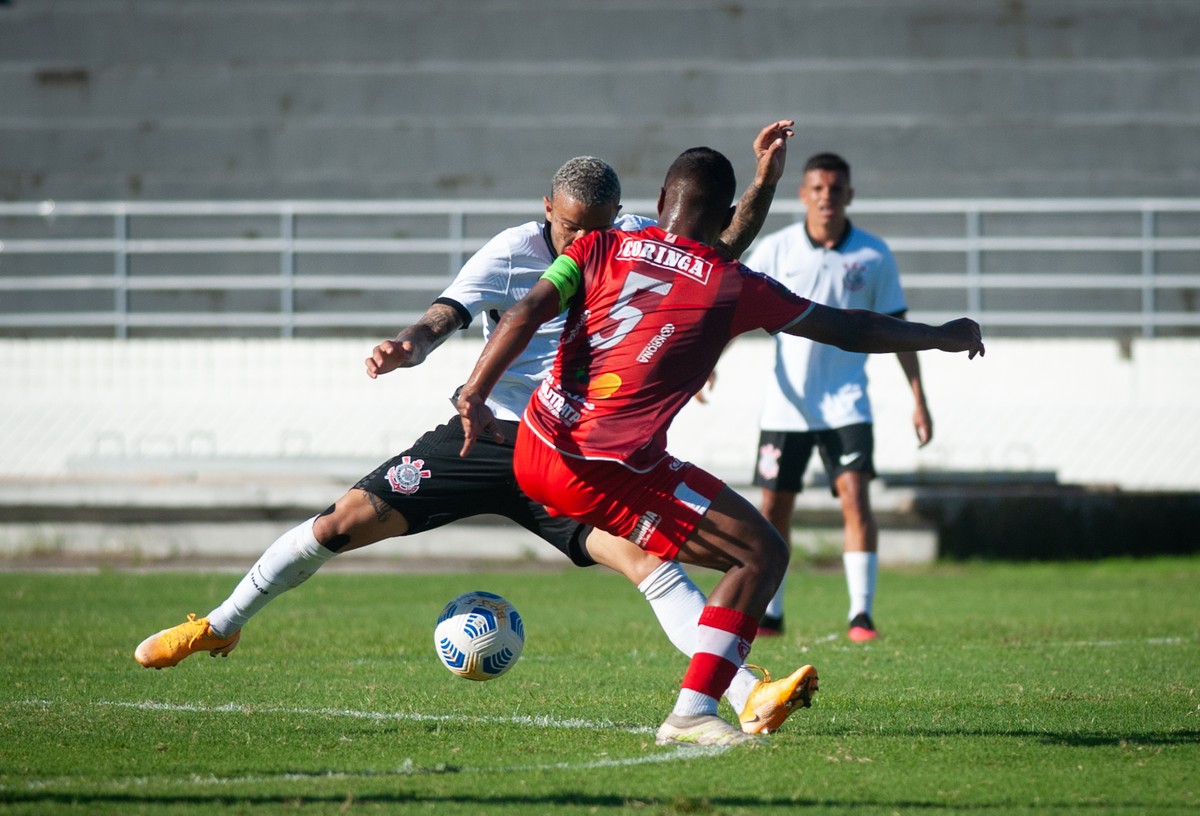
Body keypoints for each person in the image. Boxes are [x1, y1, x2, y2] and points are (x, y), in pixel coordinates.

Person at [134, 121, 820, 738]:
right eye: (573, 227)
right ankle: (219, 625)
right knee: (339, 523)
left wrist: (762, 182)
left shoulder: (631, 239)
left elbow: (719, 246)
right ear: (547, 209)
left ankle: (742, 692)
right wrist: (408, 345)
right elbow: (445, 315)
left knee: (650, 564)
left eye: (600, 224)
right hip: (486, 435)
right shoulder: (512, 251)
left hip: (571, 453)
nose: (586, 241)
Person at [455, 147, 983, 747]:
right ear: (729, 213)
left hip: (535, 447)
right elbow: (848, 328)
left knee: (680, 559)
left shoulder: (596, 246)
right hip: (605, 465)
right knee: (761, 554)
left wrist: (474, 392)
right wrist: (937, 335)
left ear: (657, 203)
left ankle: (727, 698)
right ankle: (692, 712)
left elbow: (522, 312)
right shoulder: (733, 284)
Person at [743, 152, 927, 642]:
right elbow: (730, 308)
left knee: (855, 496)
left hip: (846, 402)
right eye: (818, 188)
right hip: (787, 404)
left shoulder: (872, 255)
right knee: (773, 506)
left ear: (849, 194)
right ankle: (772, 614)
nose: (827, 196)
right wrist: (706, 365)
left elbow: (898, 330)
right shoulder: (776, 250)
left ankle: (860, 616)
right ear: (803, 194)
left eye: (836, 188)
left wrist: (918, 397)